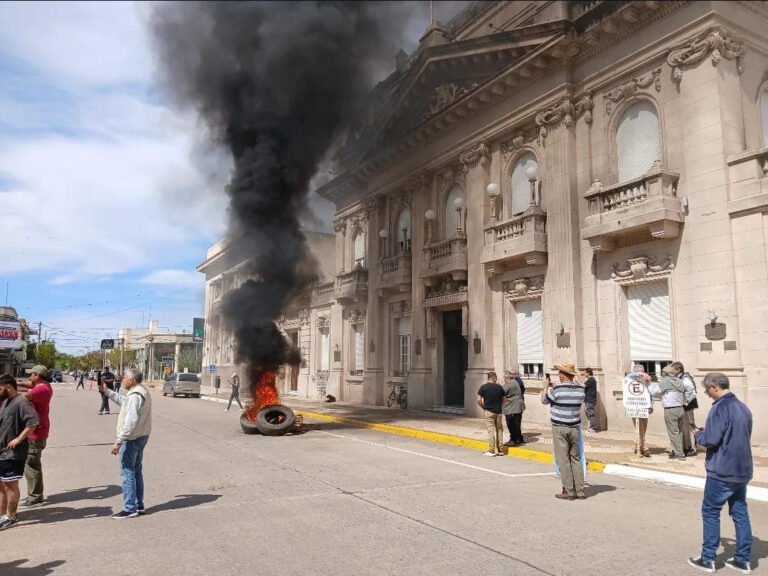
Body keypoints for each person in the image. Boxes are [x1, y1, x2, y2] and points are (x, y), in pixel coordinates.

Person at [688, 373, 753, 574]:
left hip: (722, 470)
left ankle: (708, 558)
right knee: (740, 512)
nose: (707, 394)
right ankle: (742, 559)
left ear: (714, 387)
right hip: (742, 469)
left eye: (707, 390)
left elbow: (711, 440)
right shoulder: (743, 407)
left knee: (710, 511)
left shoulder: (720, 408)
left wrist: (699, 434)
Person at [99, 368, 152, 519]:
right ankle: (138, 504)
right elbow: (125, 402)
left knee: (127, 472)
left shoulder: (136, 394)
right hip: (141, 436)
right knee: (136, 471)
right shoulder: (139, 391)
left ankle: (130, 508)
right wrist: (107, 392)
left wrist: (119, 441)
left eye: (124, 378)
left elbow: (130, 420)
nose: (121, 379)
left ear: (132, 380)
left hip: (132, 438)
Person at [0, 374, 40, 531]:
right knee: (2, 485)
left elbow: (33, 422)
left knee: (10, 484)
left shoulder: (21, 402)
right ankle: (2, 515)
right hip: (2, 451)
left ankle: (12, 516)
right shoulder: (6, 402)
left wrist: (18, 439)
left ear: (8, 387)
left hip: (13, 453)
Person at [542, 362, 586, 500]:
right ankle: (580, 490)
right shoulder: (580, 391)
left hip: (560, 427)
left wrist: (545, 387)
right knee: (576, 459)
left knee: (563, 459)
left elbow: (544, 400)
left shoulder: (557, 390)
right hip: (575, 427)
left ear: (562, 375)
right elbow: (574, 389)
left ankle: (568, 490)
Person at [16, 365, 53, 506]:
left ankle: (35, 497)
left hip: (36, 432)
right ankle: (35, 494)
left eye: (31, 374)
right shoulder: (43, 386)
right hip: (37, 430)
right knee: (31, 464)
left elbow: (25, 395)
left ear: (37, 375)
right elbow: (29, 385)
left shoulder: (41, 389)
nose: (29, 377)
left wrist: (8, 390)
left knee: (31, 464)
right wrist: (16, 383)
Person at [647, 365, 694, 460]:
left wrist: (648, 383)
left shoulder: (665, 382)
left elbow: (654, 392)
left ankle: (679, 454)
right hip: (680, 409)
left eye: (662, 372)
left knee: (673, 432)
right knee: (679, 432)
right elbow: (690, 388)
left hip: (670, 409)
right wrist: (687, 398)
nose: (661, 374)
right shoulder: (680, 381)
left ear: (665, 373)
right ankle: (679, 450)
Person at [623, 365, 652, 457]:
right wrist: (641, 373)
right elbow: (628, 376)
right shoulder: (630, 378)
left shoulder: (645, 381)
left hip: (644, 406)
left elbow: (649, 393)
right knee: (639, 428)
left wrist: (651, 405)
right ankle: (643, 447)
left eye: (644, 371)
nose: (644, 373)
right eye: (642, 371)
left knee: (644, 428)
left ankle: (639, 446)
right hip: (634, 406)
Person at [672, 361, 698, 456]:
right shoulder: (678, 377)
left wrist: (686, 400)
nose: (671, 371)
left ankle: (693, 447)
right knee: (684, 426)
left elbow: (691, 390)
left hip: (688, 405)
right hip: (683, 405)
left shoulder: (685, 378)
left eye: (673, 369)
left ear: (678, 369)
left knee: (690, 425)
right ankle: (686, 446)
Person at [477, 371, 505, 457]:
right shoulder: (500, 387)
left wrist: (484, 407)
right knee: (499, 430)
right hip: (499, 412)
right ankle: (500, 450)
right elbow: (504, 399)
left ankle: (491, 450)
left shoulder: (483, 387)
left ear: (488, 378)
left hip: (489, 411)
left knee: (491, 431)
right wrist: (499, 405)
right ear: (495, 378)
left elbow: (478, 400)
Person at [501, 370, 525, 447]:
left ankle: (513, 439)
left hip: (512, 407)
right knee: (517, 423)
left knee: (511, 424)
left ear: (506, 378)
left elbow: (502, 392)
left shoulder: (509, 384)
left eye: (504, 378)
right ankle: (519, 438)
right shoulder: (515, 382)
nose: (504, 380)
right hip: (518, 405)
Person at [582, 368, 599, 433]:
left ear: (588, 373)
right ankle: (592, 426)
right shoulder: (590, 380)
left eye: (585, 372)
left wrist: (577, 382)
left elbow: (583, 385)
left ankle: (593, 428)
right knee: (587, 412)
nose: (584, 374)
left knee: (591, 413)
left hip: (590, 399)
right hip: (588, 399)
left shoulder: (591, 379)